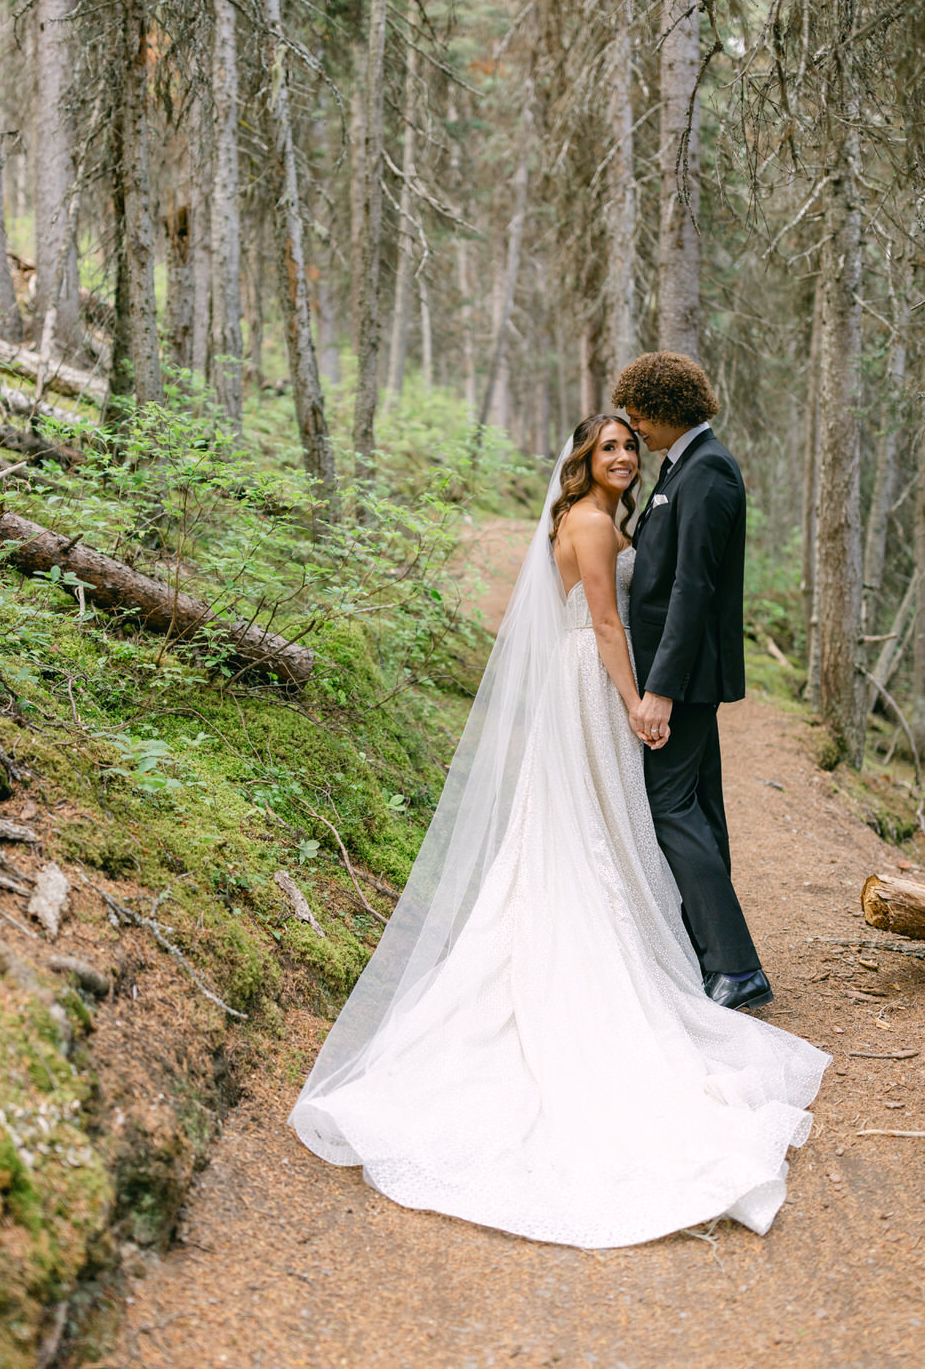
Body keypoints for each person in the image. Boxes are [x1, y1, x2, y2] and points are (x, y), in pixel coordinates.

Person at [289, 413, 828, 1250]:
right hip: (592, 681)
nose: (623, 457)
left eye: (629, 447)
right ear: (583, 460)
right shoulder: (586, 521)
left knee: (599, 827)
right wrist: (632, 701)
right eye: (607, 448)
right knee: (591, 827)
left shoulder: (601, 518)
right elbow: (607, 626)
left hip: (586, 680)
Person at [613, 352, 769, 1011]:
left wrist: (661, 688)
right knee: (698, 806)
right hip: (681, 673)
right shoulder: (682, 466)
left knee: (669, 807)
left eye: (637, 414)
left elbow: (691, 588)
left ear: (664, 409)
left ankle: (736, 968)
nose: (633, 427)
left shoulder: (707, 472)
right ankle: (712, 951)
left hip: (682, 677)